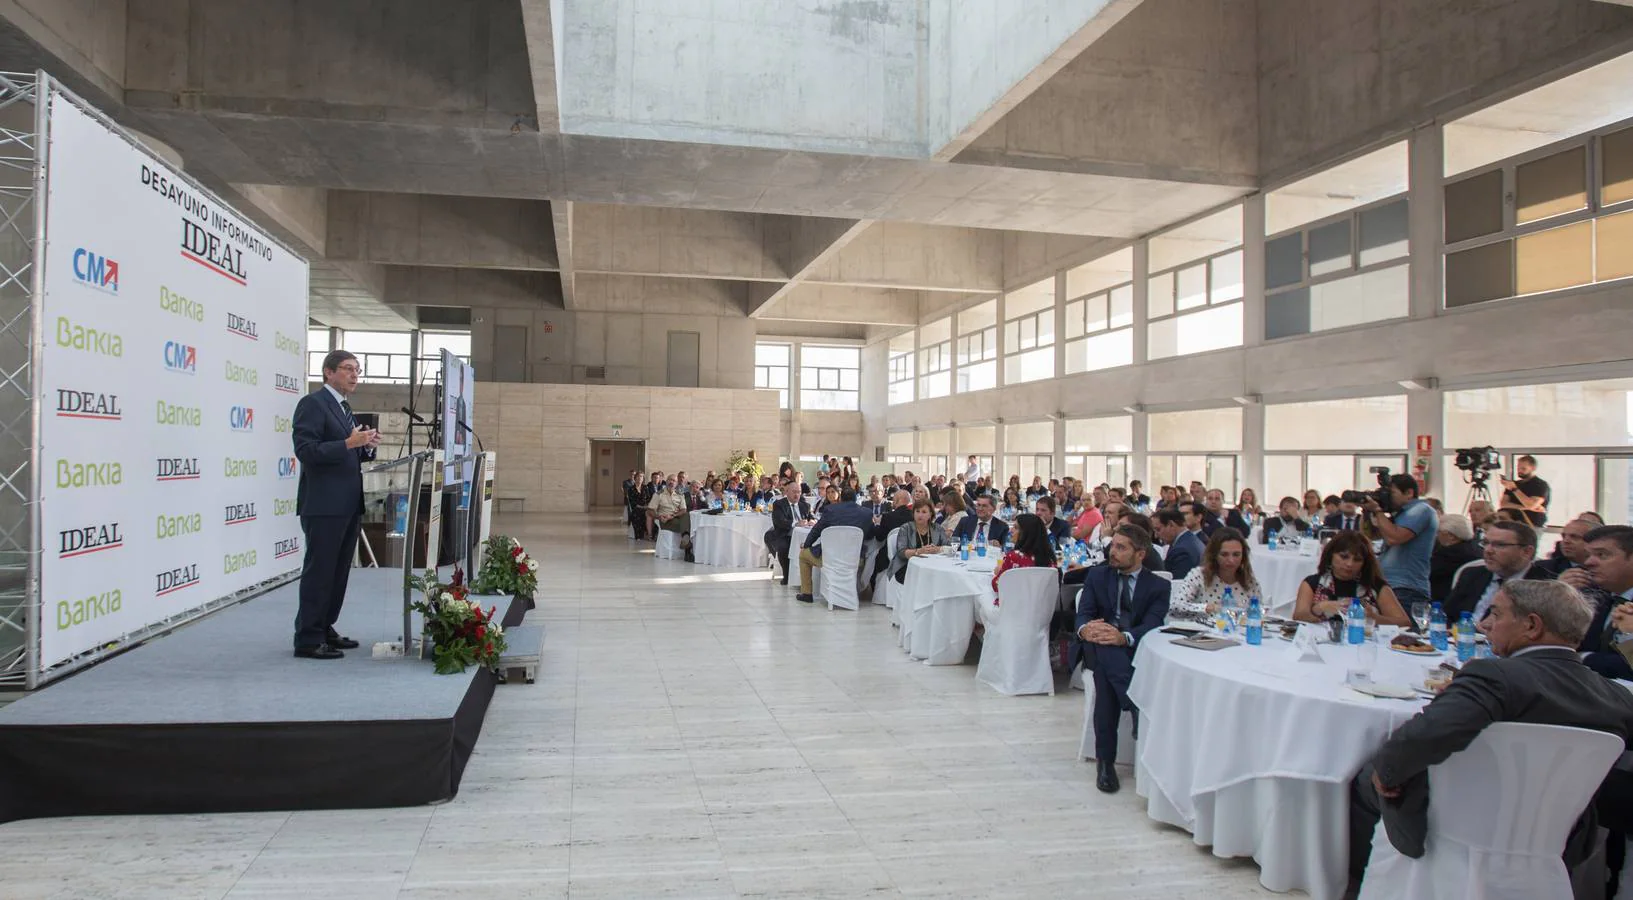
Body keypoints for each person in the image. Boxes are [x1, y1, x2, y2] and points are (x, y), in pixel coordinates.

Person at [1348, 580, 1633, 876]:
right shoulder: (1617, 697)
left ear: (1532, 626)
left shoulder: (1494, 676)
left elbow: (1423, 737)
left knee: (1369, 774)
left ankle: (1369, 880)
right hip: (1556, 836)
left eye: (1496, 615)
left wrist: (1388, 770)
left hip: (1464, 823)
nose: (1486, 625)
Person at [290, 350, 380, 659]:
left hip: (347, 503)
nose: (355, 375)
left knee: (338, 572)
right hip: (324, 504)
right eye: (347, 369)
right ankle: (308, 638)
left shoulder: (344, 408)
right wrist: (348, 443)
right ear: (328, 372)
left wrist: (364, 446)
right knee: (320, 571)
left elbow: (346, 451)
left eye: (358, 369)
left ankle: (325, 626)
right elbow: (307, 451)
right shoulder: (313, 405)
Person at [1078, 525, 1171, 794]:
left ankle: (1105, 763)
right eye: (1113, 545)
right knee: (1105, 646)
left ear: (1140, 554)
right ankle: (1134, 705)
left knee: (1107, 680)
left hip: (1134, 649)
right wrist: (1087, 629)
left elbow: (1152, 625)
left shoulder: (1158, 586)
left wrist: (1124, 637)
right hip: (1097, 646)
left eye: (1121, 547)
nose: (1112, 552)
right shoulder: (1098, 576)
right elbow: (1084, 613)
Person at [1293, 530, 1410, 627]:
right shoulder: (1313, 583)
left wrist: (1374, 618)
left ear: (1365, 563)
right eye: (1344, 557)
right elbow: (1299, 616)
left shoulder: (1376, 586)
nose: (1349, 564)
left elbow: (1404, 622)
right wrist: (1319, 608)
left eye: (1357, 560)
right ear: (1330, 555)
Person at [1441, 520, 1546, 623]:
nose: (1488, 550)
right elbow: (1446, 616)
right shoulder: (1472, 574)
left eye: (1500, 545)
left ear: (1527, 552)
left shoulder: (1544, 586)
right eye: (1485, 543)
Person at [1364, 474, 1438, 611]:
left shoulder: (1422, 510)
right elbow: (1370, 535)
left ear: (1409, 493)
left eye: (1391, 493)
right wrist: (1367, 511)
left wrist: (1377, 511)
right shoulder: (1400, 514)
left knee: (1403, 632)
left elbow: (1395, 538)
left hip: (1407, 588)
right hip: (1388, 586)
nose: (1387, 497)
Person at [796, 487, 873, 603]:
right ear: (855, 498)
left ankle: (807, 594)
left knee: (803, 556)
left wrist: (807, 545)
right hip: (855, 559)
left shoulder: (830, 510)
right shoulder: (867, 513)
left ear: (841, 498)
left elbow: (816, 530)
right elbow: (870, 534)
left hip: (830, 558)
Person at [1577, 525, 1633, 681]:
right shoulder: (1594, 598)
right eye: (1588, 555)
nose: (1589, 562)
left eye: (1602, 555)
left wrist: (1585, 658)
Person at [1169, 528, 1260, 621]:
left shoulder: (1249, 581)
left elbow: (1258, 612)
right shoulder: (1198, 575)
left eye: (1236, 555)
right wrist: (1209, 608)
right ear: (1214, 555)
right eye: (1224, 554)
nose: (1231, 560)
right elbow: (1175, 607)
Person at [990, 513, 1056, 595]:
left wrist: (999, 572)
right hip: (1041, 606)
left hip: (1015, 605)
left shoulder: (1013, 557)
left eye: (1016, 527)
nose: (1011, 530)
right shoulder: (1050, 558)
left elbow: (997, 586)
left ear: (1026, 533)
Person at [887, 498, 950, 585]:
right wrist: (918, 551)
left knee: (943, 578)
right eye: (917, 511)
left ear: (930, 514)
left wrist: (937, 549)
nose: (920, 515)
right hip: (908, 566)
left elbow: (949, 548)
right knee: (928, 579)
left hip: (933, 566)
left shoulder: (937, 528)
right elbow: (901, 552)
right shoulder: (906, 528)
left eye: (924, 512)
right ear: (913, 513)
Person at [766, 481, 814, 586]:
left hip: (803, 536)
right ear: (787, 492)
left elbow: (811, 517)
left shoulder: (805, 505)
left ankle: (808, 579)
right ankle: (787, 575)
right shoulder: (779, 504)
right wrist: (796, 524)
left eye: (799, 492)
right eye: (794, 492)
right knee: (783, 547)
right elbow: (780, 521)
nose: (797, 494)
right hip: (786, 534)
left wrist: (812, 521)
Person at [1429, 513, 1485, 603]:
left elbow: (1428, 572)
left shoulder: (1450, 554)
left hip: (1444, 600)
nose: (1436, 536)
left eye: (1438, 532)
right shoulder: (1476, 548)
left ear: (1451, 536)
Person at [871, 488, 916, 581]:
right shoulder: (915, 516)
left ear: (896, 501)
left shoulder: (888, 517)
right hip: (911, 557)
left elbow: (879, 538)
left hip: (889, 559)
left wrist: (877, 525)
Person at [1499, 453, 1550, 529]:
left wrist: (1515, 489)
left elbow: (1531, 505)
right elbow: (1503, 504)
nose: (1519, 471)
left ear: (1533, 468)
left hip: (1532, 524)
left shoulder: (1541, 485)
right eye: (1518, 468)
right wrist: (1526, 507)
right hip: (1512, 523)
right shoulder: (1514, 483)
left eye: (1523, 469)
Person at [1153, 508, 1204, 580]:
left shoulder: (1181, 550)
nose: (1156, 535)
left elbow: (1177, 585)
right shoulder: (1190, 540)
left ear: (1171, 525)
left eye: (1158, 529)